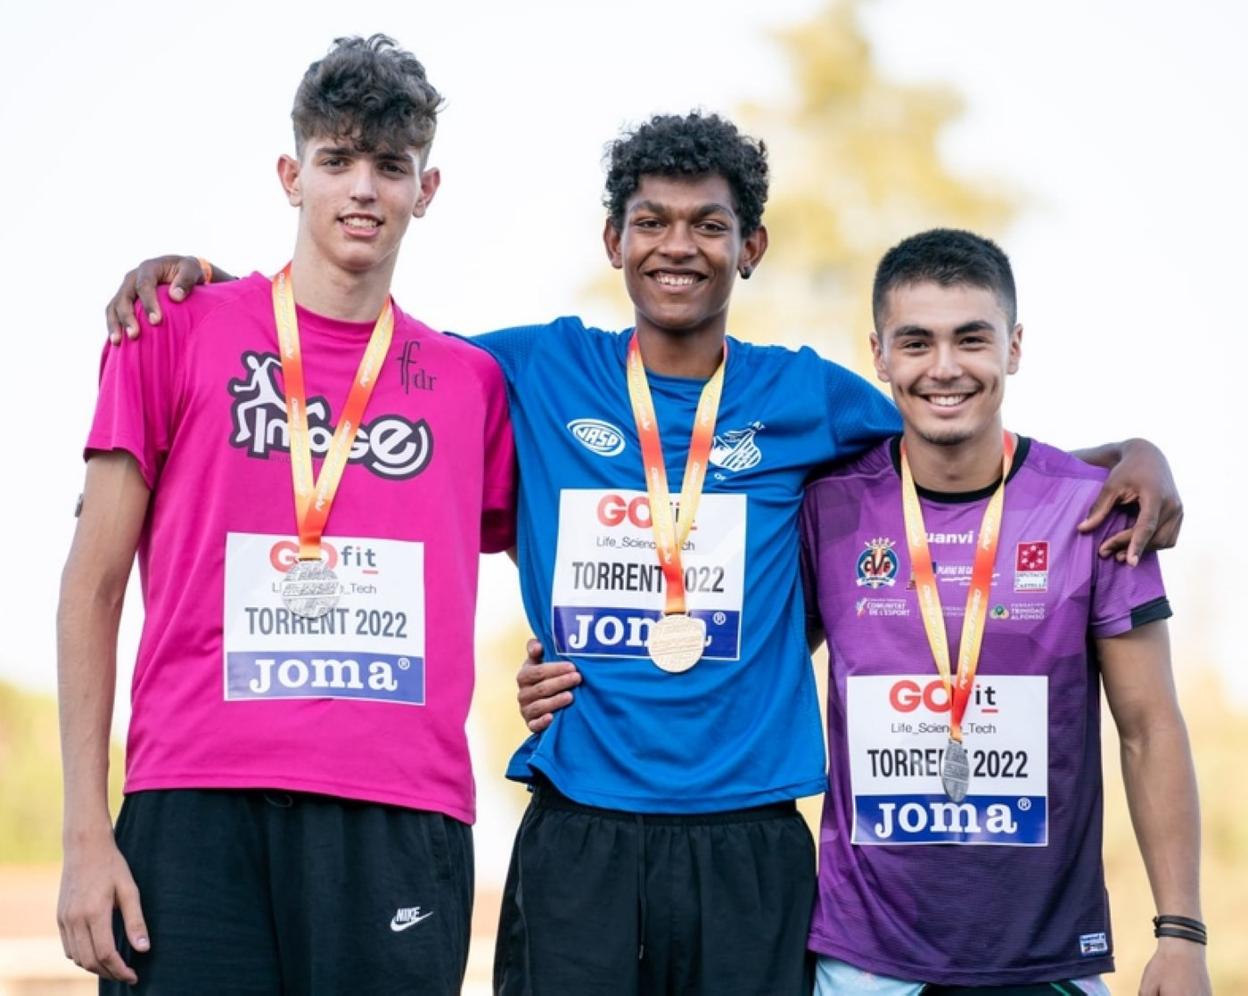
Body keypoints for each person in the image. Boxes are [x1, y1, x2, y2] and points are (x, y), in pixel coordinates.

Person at [101, 114, 1182, 995]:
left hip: (753, 841)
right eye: (651, 222)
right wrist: (213, 284)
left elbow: (956, 442)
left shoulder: (810, 398)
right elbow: (350, 351)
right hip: (581, 835)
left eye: (708, 225)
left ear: (748, 248)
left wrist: (1126, 456)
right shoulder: (520, 373)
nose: (678, 245)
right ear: (612, 242)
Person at [58, 35, 514, 994]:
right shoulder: (168, 328)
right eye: (336, 159)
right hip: (193, 805)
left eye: (390, 166)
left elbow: (581, 544)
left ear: (425, 190)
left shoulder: (472, 383)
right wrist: (85, 834)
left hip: (398, 816)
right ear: (290, 174)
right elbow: (92, 588)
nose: (362, 189)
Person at [798, 229, 1209, 995]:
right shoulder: (828, 509)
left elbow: (1151, 727)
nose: (945, 367)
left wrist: (1181, 934)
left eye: (972, 339)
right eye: (915, 342)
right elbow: (756, 665)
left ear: (1014, 347)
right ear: (880, 355)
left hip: (1047, 956)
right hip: (865, 960)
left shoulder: (1096, 510)